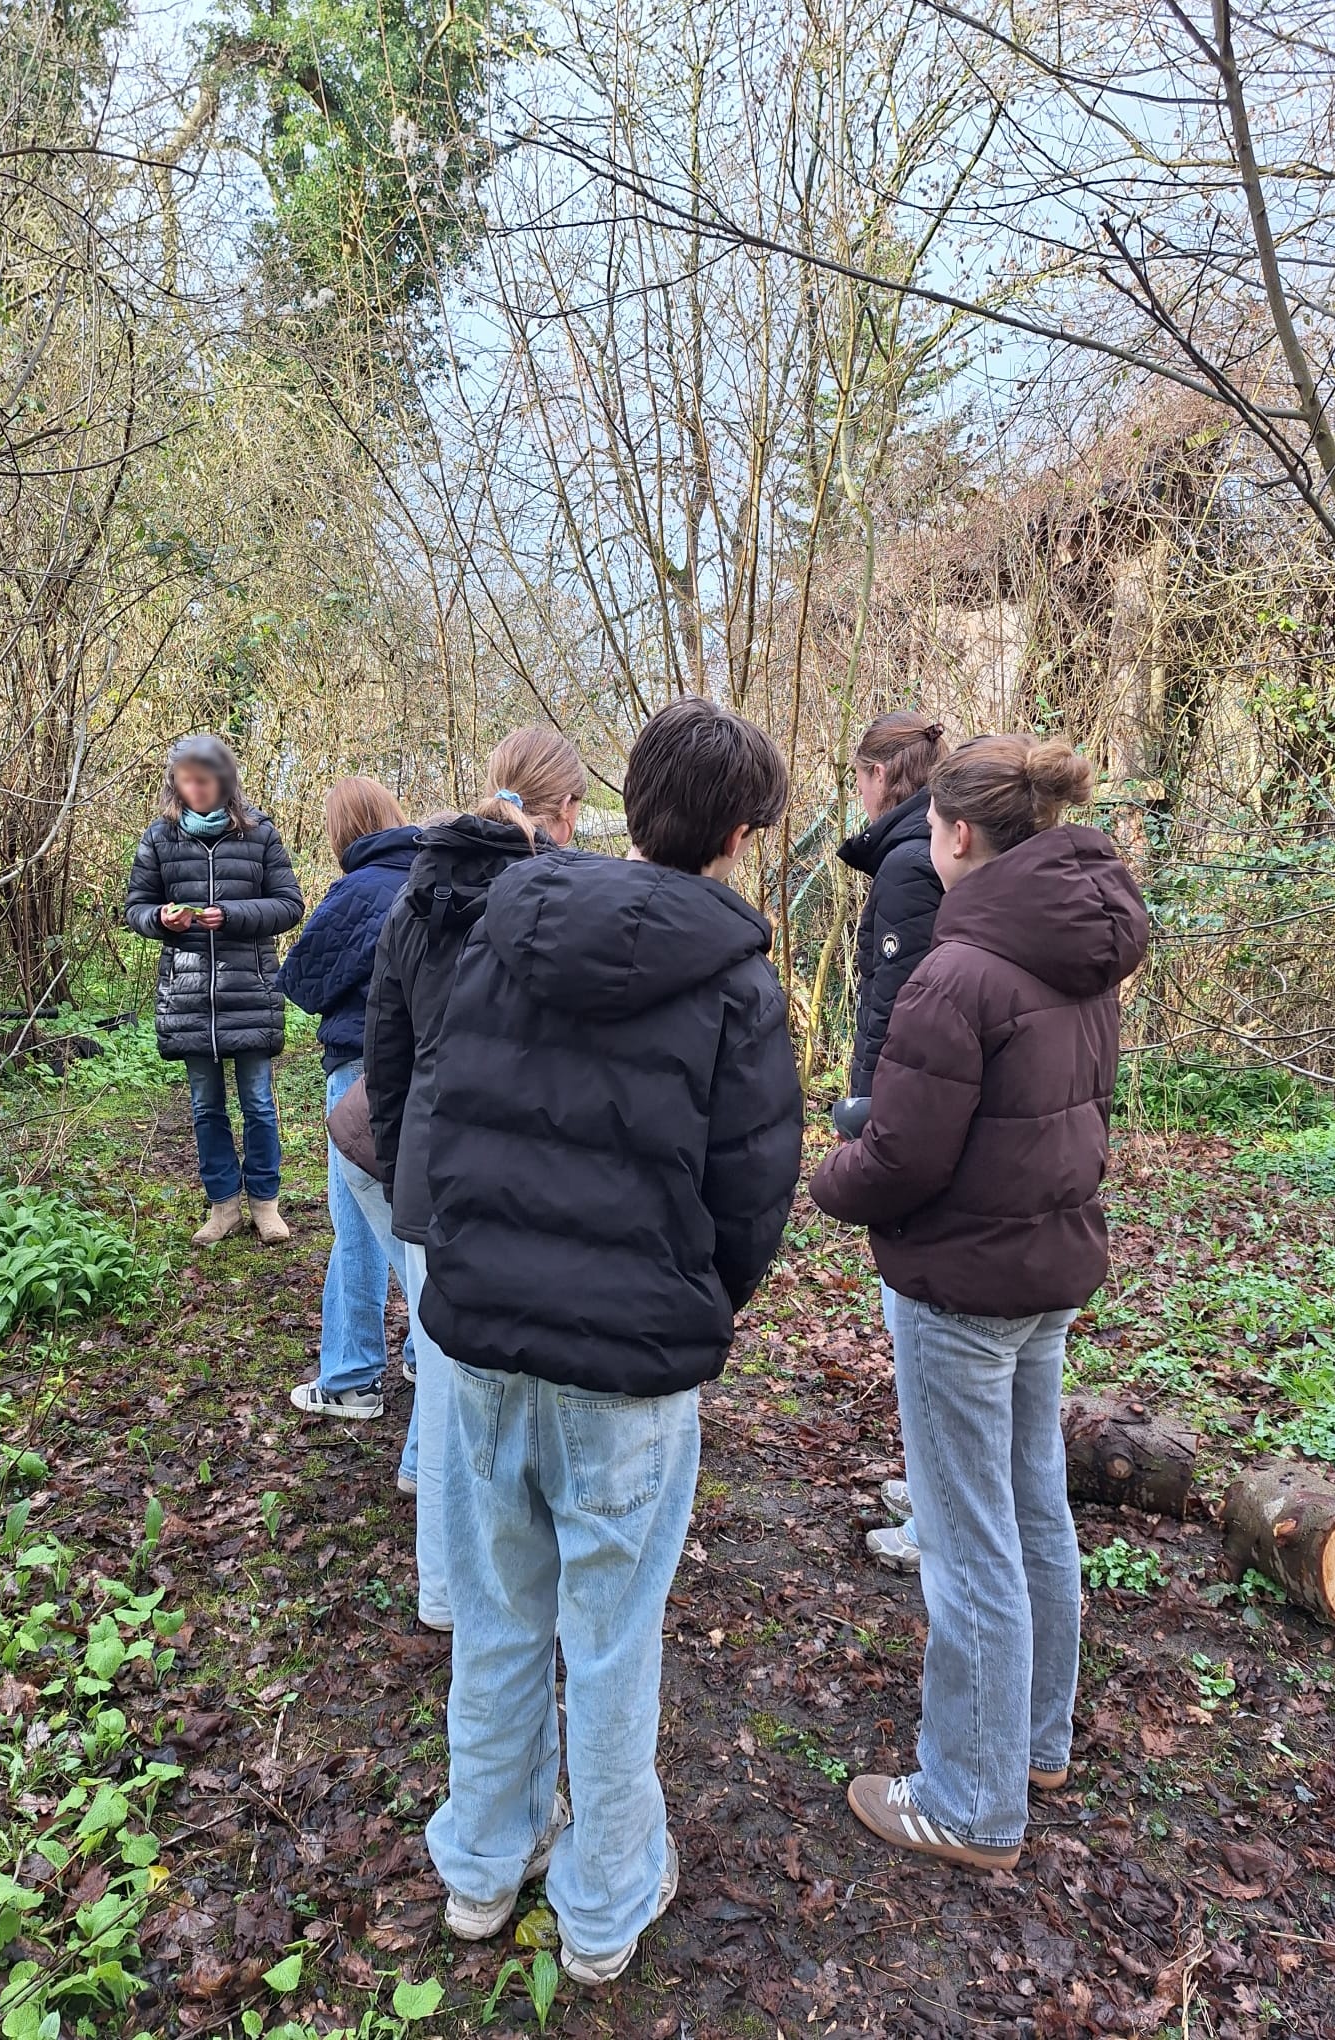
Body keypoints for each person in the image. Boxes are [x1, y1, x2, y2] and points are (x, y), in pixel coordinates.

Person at [418, 698, 803, 1986]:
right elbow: (752, 1199)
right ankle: (600, 1905)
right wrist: (690, 1305)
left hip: (486, 1342)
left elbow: (441, 1122)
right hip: (623, 1373)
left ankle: (483, 1867)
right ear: (740, 836)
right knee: (609, 1637)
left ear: (630, 804)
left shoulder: (498, 932)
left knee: (498, 1616)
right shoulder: (738, 987)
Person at [810, 734, 1148, 1873]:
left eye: (931, 829)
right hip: (1046, 1266)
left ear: (958, 834)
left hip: (961, 1285)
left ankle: (969, 1800)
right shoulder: (1084, 952)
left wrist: (830, 1177)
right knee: (1033, 1506)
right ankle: (1035, 1744)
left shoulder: (957, 971)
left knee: (967, 1541)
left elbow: (905, 1158)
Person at [365, 728, 588, 1630]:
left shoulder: (413, 895)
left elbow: (387, 1056)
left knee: (450, 1395)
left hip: (434, 1175)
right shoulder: (570, 899)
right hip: (537, 1181)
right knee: (540, 1395)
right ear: (567, 809)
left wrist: (402, 1171)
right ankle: (528, 1592)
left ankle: (446, 1593)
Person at [835, 711, 948, 1575]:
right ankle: (934, 1483)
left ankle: (937, 1515)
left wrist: (866, 1108)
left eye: (858, 776)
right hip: (919, 1111)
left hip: (901, 1115)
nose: (857, 792)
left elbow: (895, 1004)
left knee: (915, 1315)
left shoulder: (910, 864)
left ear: (881, 775)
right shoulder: (921, 852)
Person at [275, 778, 421, 1425]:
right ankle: (424, 1353)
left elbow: (303, 981)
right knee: (415, 1215)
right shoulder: (434, 877)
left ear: (344, 831)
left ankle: (351, 1377)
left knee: (359, 1224)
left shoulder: (359, 890)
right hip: (426, 1070)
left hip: (362, 1070)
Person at [126, 735, 304, 1246]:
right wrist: (160, 919)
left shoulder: (260, 833)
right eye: (186, 781)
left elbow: (290, 905)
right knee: (206, 1107)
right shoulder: (159, 837)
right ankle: (223, 1207)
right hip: (187, 994)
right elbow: (136, 908)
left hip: (250, 990)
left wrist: (230, 915)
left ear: (224, 780)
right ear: (175, 783)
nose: (195, 789)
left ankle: (266, 1206)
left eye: (203, 781)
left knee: (259, 1104)